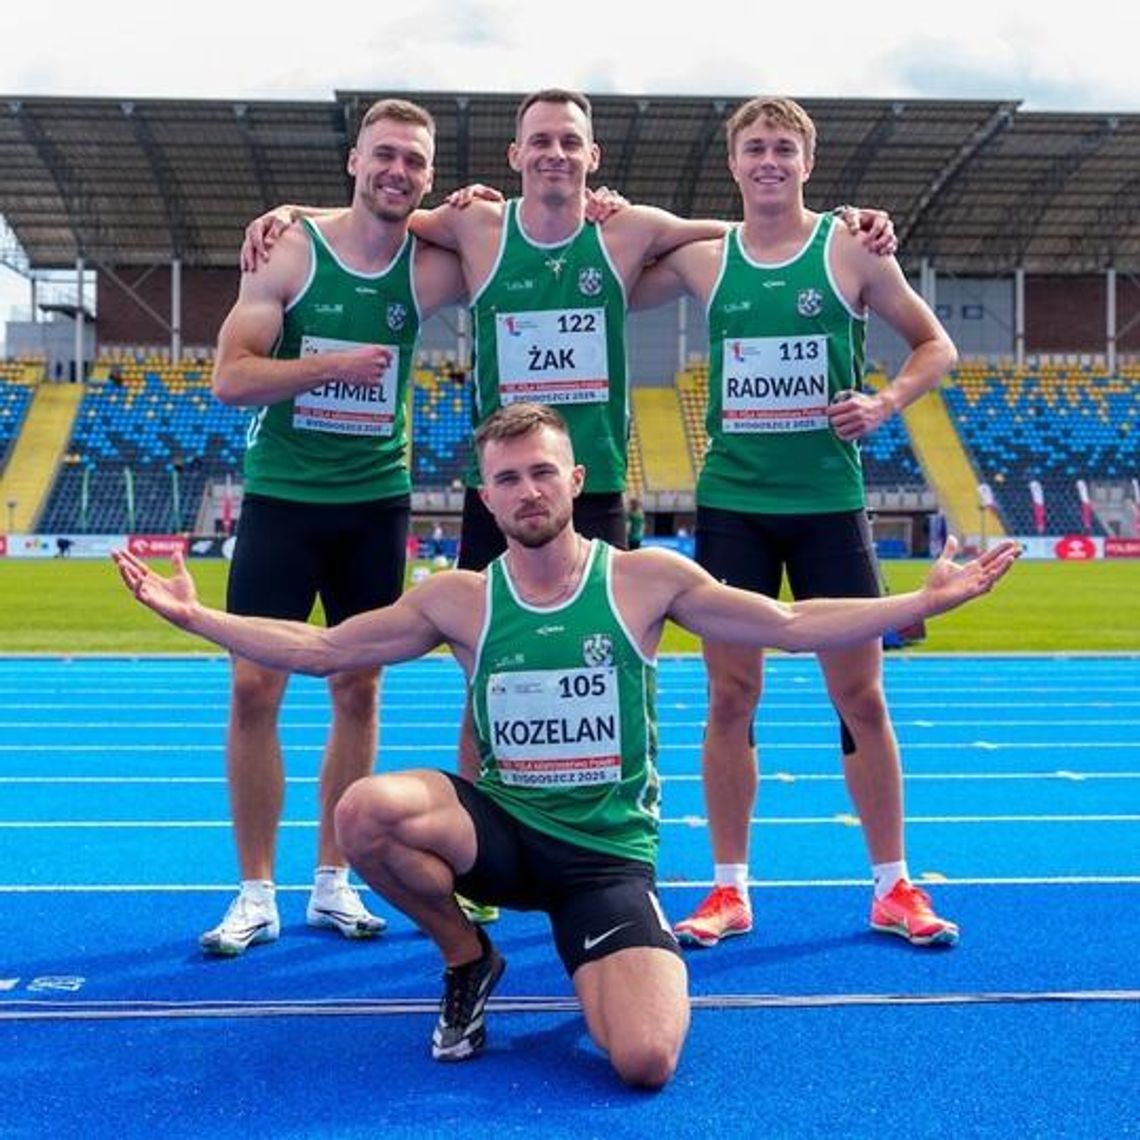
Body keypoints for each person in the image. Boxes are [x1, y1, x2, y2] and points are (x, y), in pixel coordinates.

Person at [112, 402, 1020, 1088]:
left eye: (542, 472)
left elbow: (787, 624)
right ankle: (468, 957)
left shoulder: (645, 580)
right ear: (485, 497)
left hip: (603, 858)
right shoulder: (460, 598)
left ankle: (602, 955)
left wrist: (922, 603)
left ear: (576, 479)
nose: (528, 491)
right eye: (507, 479)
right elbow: (322, 649)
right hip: (501, 834)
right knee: (365, 814)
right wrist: (198, 619)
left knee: (645, 1061)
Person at [241, 89, 896, 790]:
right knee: (487, 677)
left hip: (593, 489)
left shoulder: (629, 230)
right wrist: (291, 213)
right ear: (515, 154)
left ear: (592, 156)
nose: (556, 153)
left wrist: (840, 221)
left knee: (606, 675)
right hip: (499, 491)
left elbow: (745, 230)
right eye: (542, 140)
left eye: (570, 141)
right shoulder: (476, 227)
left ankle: (605, 826)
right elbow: (379, 209)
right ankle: (485, 829)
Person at [630, 96, 963, 950]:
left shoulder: (848, 248)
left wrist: (885, 401)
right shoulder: (707, 259)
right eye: (755, 148)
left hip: (828, 506)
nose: (770, 161)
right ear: (733, 164)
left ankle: (893, 886)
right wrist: (598, 208)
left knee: (861, 696)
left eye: (784, 148)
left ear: (808, 162)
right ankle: (729, 889)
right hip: (735, 507)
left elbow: (936, 345)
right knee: (730, 696)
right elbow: (613, 268)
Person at [202, 97, 466, 956]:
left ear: (428, 176)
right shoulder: (289, 251)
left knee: (358, 687)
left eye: (414, 161)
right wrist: (332, 367)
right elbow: (231, 378)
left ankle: (331, 880)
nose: (397, 171)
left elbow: (529, 238)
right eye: (383, 154)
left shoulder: (429, 266)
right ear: (354, 160)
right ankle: (254, 891)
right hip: (284, 499)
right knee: (255, 687)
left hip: (374, 503)